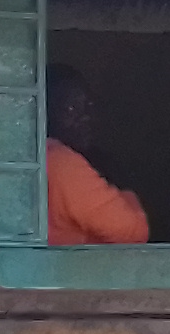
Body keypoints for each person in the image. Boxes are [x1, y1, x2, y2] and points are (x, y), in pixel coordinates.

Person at [46, 66, 150, 246]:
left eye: (89, 106)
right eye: (71, 109)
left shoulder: (33, 157)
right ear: (45, 112)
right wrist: (125, 190)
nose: (86, 116)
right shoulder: (62, 164)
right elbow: (133, 232)